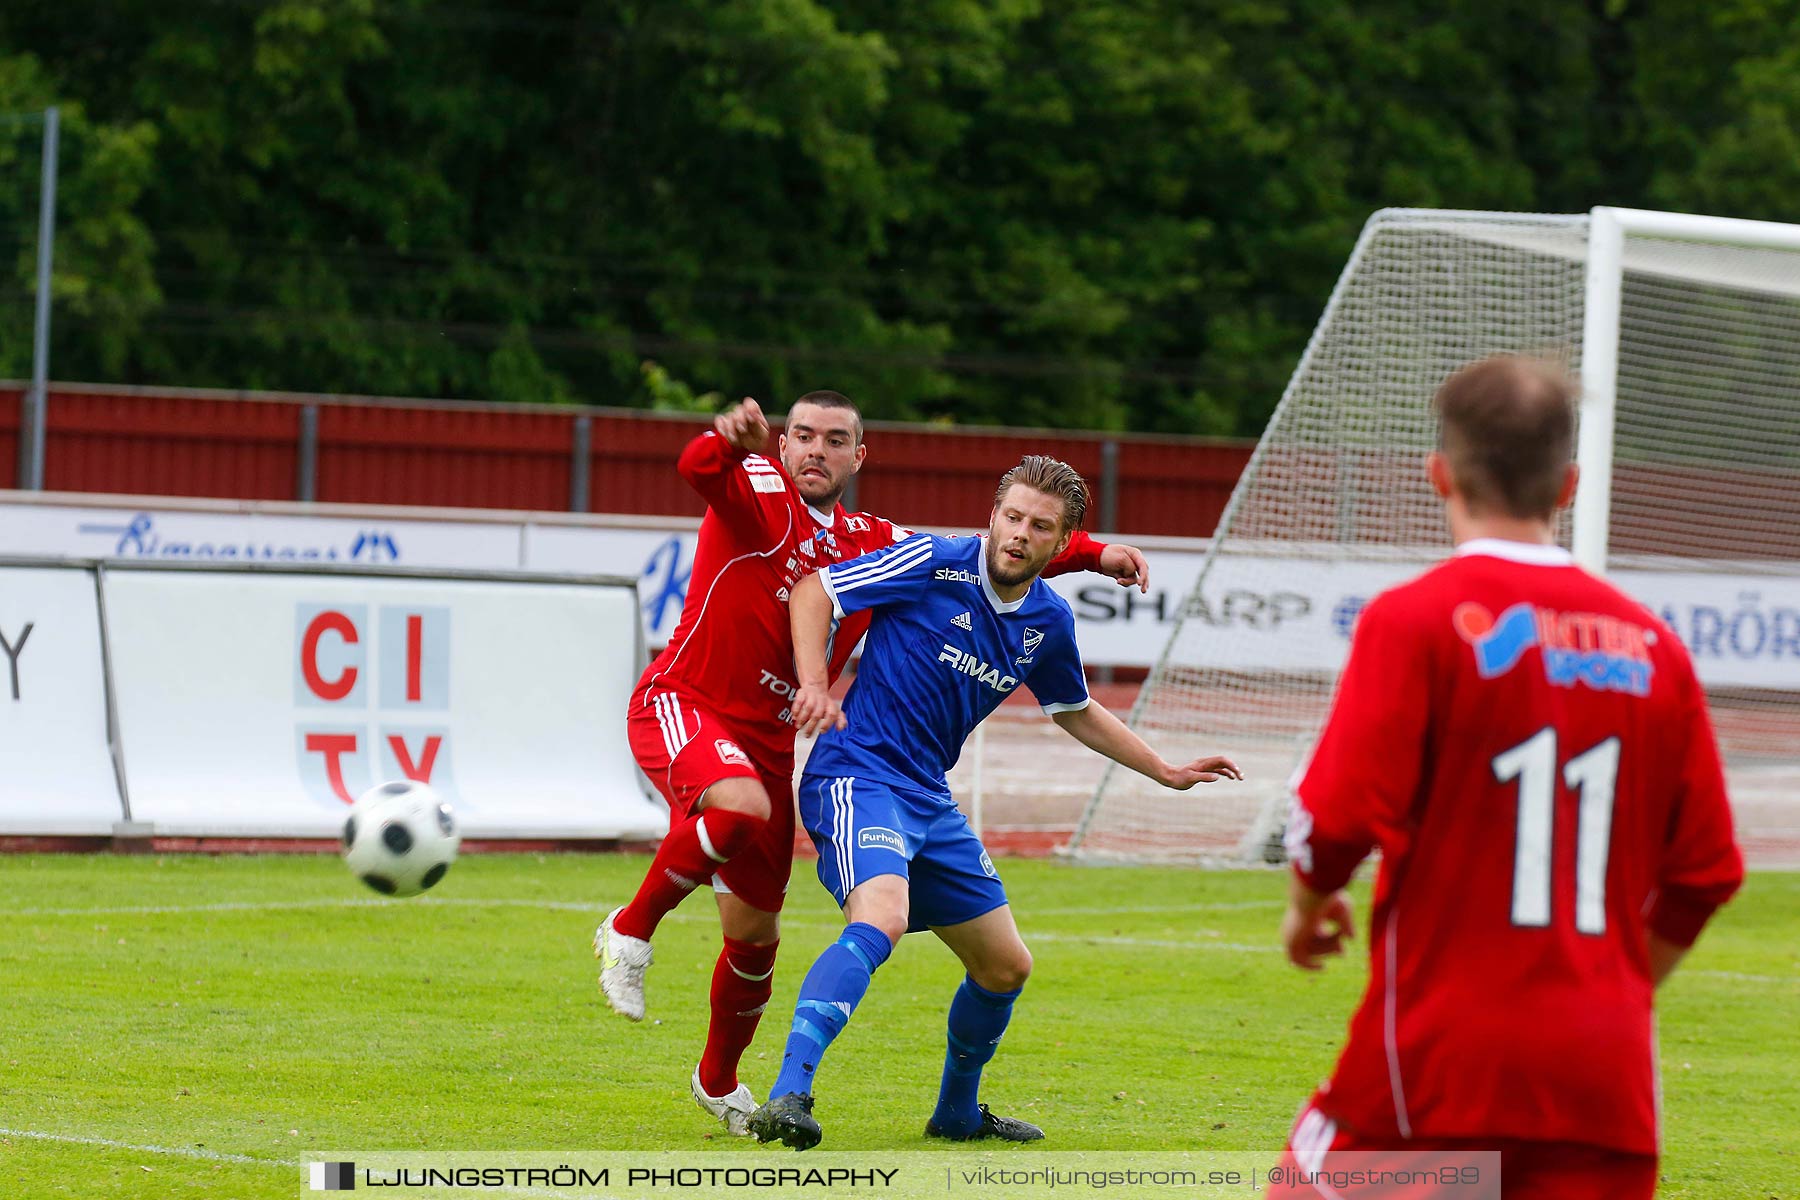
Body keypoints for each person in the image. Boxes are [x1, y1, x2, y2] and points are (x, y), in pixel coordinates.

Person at [594, 393, 1152, 1135]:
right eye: (801, 436)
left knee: (758, 935)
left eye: (834, 440)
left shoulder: (870, 536)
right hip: (693, 702)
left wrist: (1095, 553)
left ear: (859, 457)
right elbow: (699, 469)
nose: (813, 451)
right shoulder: (758, 485)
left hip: (772, 738)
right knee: (741, 813)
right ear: (782, 444)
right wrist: (723, 440)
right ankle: (630, 932)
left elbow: (986, 549)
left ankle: (719, 1081)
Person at [1270, 356, 1744, 1199]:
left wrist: (1309, 907)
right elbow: (1707, 872)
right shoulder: (1657, 649)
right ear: (1568, 485)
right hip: (1605, 1081)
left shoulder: (1415, 620)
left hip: (1442, 1062)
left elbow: (1335, 818)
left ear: (1438, 473)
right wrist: (1612, 986)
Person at [745, 455, 1242, 1150]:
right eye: (1011, 517)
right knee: (882, 916)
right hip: (856, 774)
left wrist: (1165, 770)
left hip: (927, 796)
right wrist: (814, 684)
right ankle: (788, 1093)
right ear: (993, 514)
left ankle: (956, 1115)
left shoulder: (1047, 619)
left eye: (1039, 526)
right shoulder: (933, 561)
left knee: (1006, 966)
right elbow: (814, 591)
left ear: (1061, 539)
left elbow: (1075, 708)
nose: (1018, 534)